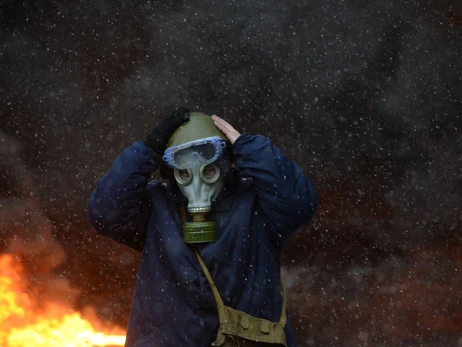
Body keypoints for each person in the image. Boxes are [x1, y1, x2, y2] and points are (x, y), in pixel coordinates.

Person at [88, 108, 318, 347]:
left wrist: (248, 147)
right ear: (172, 174)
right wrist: (146, 154)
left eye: (208, 171)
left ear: (227, 165)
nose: (197, 186)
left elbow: (299, 203)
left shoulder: (256, 206)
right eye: (185, 174)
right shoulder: (158, 208)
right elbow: (105, 213)